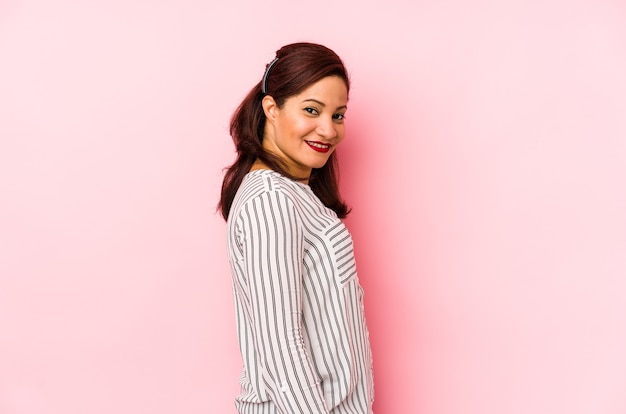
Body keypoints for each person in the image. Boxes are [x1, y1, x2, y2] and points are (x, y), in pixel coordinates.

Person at [218, 42, 374, 414]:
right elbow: (280, 347)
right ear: (272, 108)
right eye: (311, 110)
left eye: (338, 115)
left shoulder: (295, 193)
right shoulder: (270, 199)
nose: (329, 129)